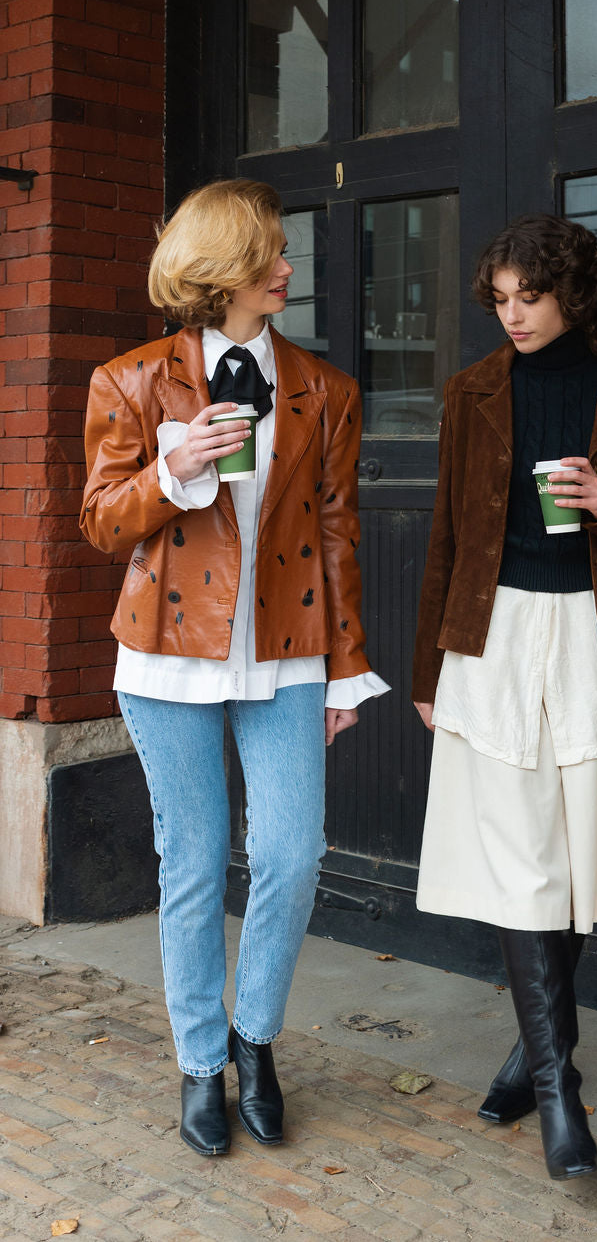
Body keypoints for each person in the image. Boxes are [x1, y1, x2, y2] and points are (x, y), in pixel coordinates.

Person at [80, 179, 388, 1157]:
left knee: (293, 854)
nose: (287, 269)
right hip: (166, 657)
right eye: (271, 257)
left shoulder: (325, 390)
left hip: (288, 646)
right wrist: (174, 472)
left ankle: (256, 1040)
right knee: (196, 860)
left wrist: (347, 673)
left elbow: (336, 535)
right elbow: (99, 521)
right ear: (223, 270)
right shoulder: (129, 381)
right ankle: (198, 1062)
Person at [411, 213, 597, 1179]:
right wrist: (427, 672)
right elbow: (447, 538)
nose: (512, 317)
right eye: (497, 300)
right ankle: (555, 1091)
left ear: (572, 293)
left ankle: (534, 1050)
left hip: (593, 634)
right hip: (490, 641)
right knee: (526, 857)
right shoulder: (473, 393)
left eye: (526, 297)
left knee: (576, 862)